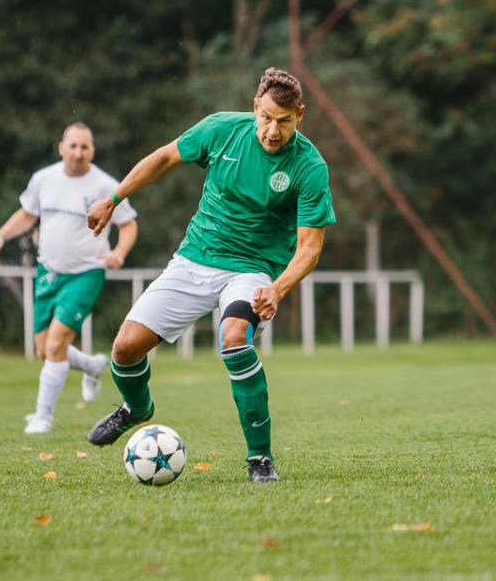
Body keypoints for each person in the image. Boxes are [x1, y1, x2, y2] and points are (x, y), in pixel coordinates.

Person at [83, 67, 336, 483]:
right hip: (194, 259)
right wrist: (113, 199)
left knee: (234, 338)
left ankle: (259, 458)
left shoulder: (309, 167)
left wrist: (278, 288)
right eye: (266, 118)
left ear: (300, 116)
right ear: (255, 108)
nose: (273, 131)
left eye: (284, 121)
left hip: (253, 269)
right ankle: (137, 409)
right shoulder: (222, 130)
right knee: (125, 349)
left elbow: (310, 247)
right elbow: (164, 158)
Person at [0, 122, 139, 435]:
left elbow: (129, 223)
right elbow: (28, 214)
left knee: (56, 343)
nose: (78, 153)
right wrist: (1, 235)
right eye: (73, 146)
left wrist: (119, 253)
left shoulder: (105, 185)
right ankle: (91, 365)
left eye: (84, 147)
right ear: (61, 147)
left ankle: (42, 417)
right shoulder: (43, 179)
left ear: (92, 151)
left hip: (86, 273)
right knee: (44, 349)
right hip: (48, 271)